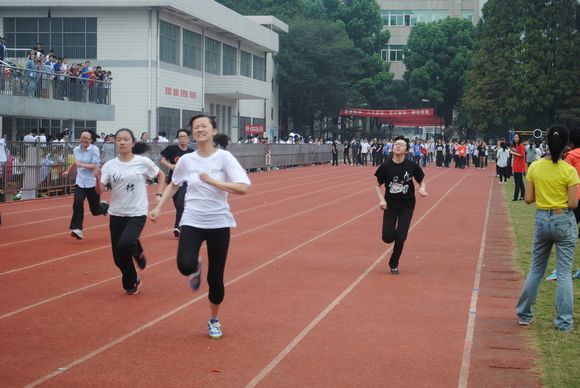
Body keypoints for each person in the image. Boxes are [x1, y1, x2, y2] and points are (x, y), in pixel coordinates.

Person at [149, 114, 251, 339]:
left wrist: (213, 181)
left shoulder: (224, 158)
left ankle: (214, 319)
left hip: (219, 222)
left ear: (213, 131)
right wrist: (158, 207)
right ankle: (195, 264)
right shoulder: (187, 161)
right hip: (193, 219)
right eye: (196, 127)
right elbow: (174, 185)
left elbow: (243, 187)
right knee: (184, 265)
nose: (200, 129)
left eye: (204, 126)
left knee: (215, 278)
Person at [516, 125, 577, 332]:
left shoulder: (534, 167)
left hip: (542, 219)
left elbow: (528, 199)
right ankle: (564, 321)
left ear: (546, 142)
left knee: (536, 269)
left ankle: (524, 314)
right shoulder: (569, 170)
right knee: (564, 273)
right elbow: (573, 203)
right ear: (566, 144)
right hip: (564, 219)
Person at [96, 128, 166, 295]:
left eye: (126, 139)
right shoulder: (109, 165)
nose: (122, 142)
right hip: (116, 213)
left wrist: (159, 193)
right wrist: (97, 178)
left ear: (132, 143)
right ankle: (132, 281)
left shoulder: (142, 161)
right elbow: (100, 190)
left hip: (137, 212)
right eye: (119, 139)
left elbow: (161, 175)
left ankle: (138, 251)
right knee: (118, 258)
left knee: (126, 244)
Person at [374, 135, 428, 275]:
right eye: (396, 144)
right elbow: (376, 185)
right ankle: (393, 238)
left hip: (407, 205)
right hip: (390, 205)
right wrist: (381, 200)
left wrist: (422, 188)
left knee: (401, 235)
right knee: (387, 237)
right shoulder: (385, 166)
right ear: (392, 148)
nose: (398, 146)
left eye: (401, 145)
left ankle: (394, 263)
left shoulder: (412, 166)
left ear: (407, 150)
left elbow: (422, 180)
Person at [62, 130, 109, 240]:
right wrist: (68, 171)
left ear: (91, 140)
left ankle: (104, 206)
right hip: (80, 181)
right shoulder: (76, 149)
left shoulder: (94, 150)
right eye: (82, 137)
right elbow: (75, 163)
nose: (84, 140)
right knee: (77, 203)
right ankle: (78, 229)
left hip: (92, 182)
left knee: (95, 210)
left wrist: (81, 164)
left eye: (87, 138)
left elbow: (95, 166)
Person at [160, 129, 194, 237]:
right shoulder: (172, 149)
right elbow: (162, 160)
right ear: (178, 138)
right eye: (180, 137)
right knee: (178, 205)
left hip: (186, 182)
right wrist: (171, 166)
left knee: (180, 203)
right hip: (173, 181)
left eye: (184, 136)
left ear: (188, 138)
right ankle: (184, 225)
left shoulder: (191, 152)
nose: (182, 139)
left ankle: (177, 226)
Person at [510, 134, 527, 201]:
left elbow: (522, 155)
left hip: (519, 166)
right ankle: (523, 196)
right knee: (520, 182)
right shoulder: (517, 145)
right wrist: (514, 151)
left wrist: (513, 153)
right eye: (514, 137)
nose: (515, 138)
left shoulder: (521, 145)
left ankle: (515, 197)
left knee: (517, 182)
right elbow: (518, 153)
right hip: (516, 165)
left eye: (517, 137)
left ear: (519, 138)